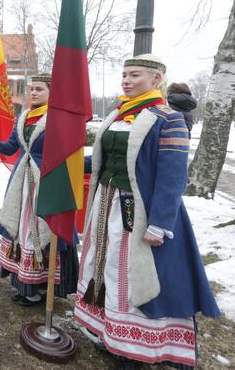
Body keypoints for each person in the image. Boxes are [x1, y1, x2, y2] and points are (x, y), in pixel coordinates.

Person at [74, 54, 219, 368]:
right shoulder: (117, 115)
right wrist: (70, 162)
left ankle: (137, 348)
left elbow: (173, 177)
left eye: (135, 75)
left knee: (137, 277)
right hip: (106, 206)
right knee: (107, 269)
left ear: (156, 80)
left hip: (142, 212)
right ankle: (110, 334)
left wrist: (159, 223)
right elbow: (105, 160)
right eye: (124, 74)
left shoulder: (169, 119)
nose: (126, 80)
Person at [0, 74, 78, 307]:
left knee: (41, 232)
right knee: (21, 230)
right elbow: (12, 147)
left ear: (52, 92)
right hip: (22, 183)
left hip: (48, 182)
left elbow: (68, 152)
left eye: (39, 89)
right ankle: (25, 284)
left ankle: (41, 286)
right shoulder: (24, 117)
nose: (33, 92)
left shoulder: (58, 119)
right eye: (31, 89)